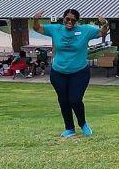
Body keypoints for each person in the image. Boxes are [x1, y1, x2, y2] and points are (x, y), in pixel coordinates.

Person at [33, 9, 109, 138]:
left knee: (75, 99)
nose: (70, 22)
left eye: (73, 20)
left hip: (79, 72)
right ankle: (69, 128)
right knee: (63, 100)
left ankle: (83, 124)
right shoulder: (56, 29)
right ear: (63, 18)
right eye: (67, 19)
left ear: (77, 21)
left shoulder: (85, 30)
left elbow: (102, 32)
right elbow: (37, 28)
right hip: (58, 72)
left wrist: (105, 23)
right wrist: (35, 19)